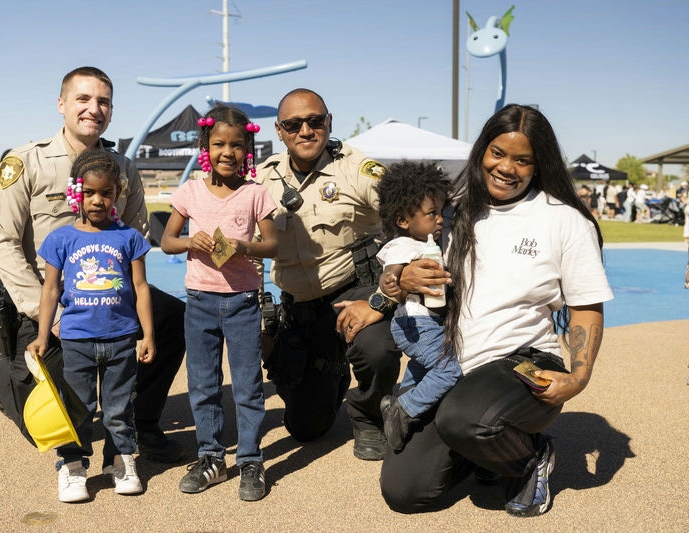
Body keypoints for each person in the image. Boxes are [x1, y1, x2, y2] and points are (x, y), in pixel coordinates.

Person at [380, 104, 613, 517]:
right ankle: (485, 451)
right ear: (481, 152)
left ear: (538, 164)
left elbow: (586, 308)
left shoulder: (565, 221)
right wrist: (399, 282)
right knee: (405, 492)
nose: (507, 167)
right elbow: (403, 263)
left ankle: (529, 460)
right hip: (454, 361)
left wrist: (578, 377)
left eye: (523, 159)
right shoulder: (450, 209)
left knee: (464, 418)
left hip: (520, 361)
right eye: (497, 153)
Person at [0, 66, 185, 465]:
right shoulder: (26, 162)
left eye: (103, 102)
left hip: (107, 294)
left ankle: (139, 422)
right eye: (83, 99)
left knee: (172, 317)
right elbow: (3, 244)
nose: (93, 108)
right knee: (48, 423)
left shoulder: (123, 169)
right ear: (61, 104)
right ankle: (9, 375)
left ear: (110, 111)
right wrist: (50, 313)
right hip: (48, 299)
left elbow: (134, 236)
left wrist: (127, 311)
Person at [255, 88, 401, 461]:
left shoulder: (357, 168)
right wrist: (258, 318)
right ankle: (331, 374)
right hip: (301, 310)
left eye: (315, 121)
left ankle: (369, 415)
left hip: (356, 291)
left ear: (328, 122)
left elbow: (407, 221)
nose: (305, 130)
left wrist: (385, 298)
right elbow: (246, 251)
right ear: (280, 130)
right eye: (293, 124)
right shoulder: (262, 180)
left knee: (377, 349)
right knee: (305, 428)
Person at [161, 105, 278, 501]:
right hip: (199, 303)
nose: (227, 152)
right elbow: (166, 240)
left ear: (248, 149)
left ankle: (250, 460)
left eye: (237, 145)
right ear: (205, 146)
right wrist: (190, 241)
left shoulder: (256, 194)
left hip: (243, 303)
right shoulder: (191, 191)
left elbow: (274, 245)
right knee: (203, 386)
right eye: (219, 144)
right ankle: (211, 456)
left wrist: (247, 246)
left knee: (247, 386)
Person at [27, 150, 153, 502]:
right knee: (77, 407)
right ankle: (72, 466)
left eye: (106, 193)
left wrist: (147, 334)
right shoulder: (61, 239)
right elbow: (50, 288)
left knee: (119, 407)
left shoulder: (129, 237)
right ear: (75, 192)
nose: (98, 200)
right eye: (89, 193)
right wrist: (41, 335)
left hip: (121, 338)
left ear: (117, 194)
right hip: (76, 340)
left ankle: (119, 461)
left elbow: (141, 287)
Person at [374, 161, 461, 453]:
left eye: (440, 212)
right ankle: (403, 411)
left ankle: (405, 394)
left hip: (427, 322)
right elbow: (392, 272)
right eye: (431, 214)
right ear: (402, 219)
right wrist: (391, 281)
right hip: (415, 323)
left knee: (424, 368)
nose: (440, 220)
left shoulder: (427, 242)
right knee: (451, 369)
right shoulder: (404, 245)